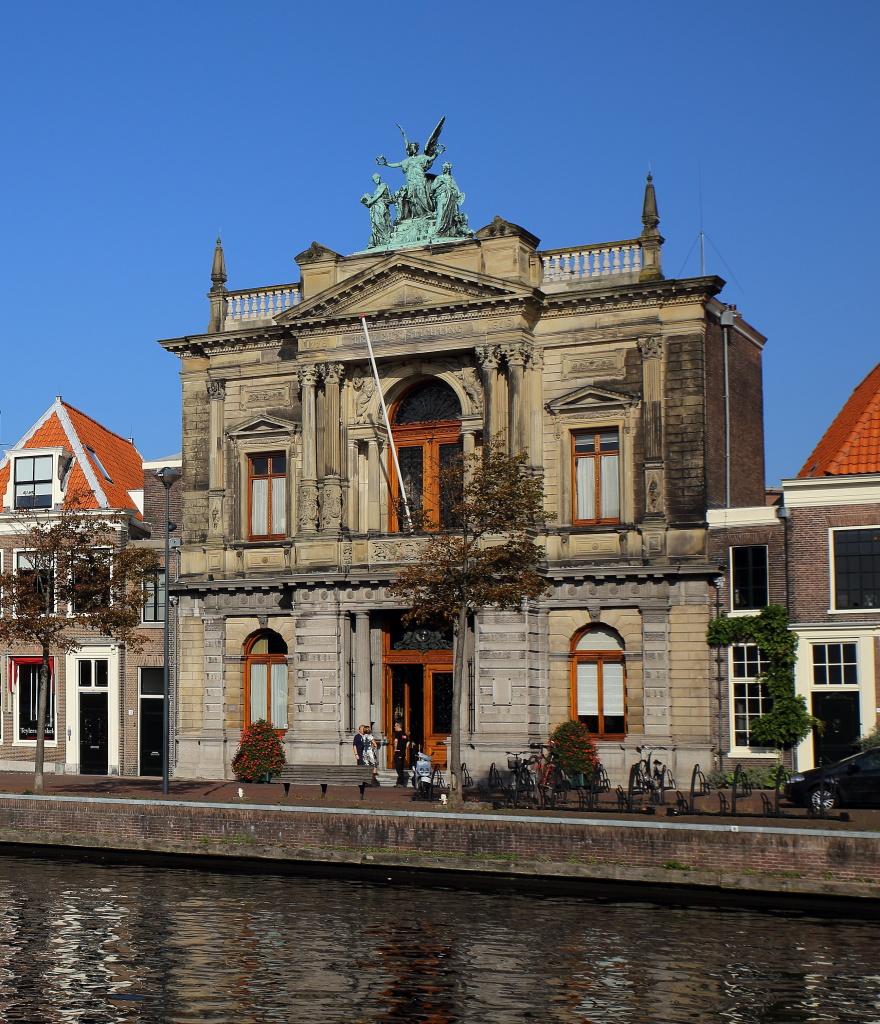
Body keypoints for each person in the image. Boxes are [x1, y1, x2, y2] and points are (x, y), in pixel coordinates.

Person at [392, 720, 410, 787]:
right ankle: (399, 782)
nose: (394, 727)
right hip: (402, 752)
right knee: (401, 767)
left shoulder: (398, 733)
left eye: (395, 726)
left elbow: (396, 741)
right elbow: (408, 742)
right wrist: (405, 748)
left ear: (398, 726)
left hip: (398, 752)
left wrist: (395, 749)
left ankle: (400, 783)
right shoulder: (404, 734)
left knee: (398, 767)